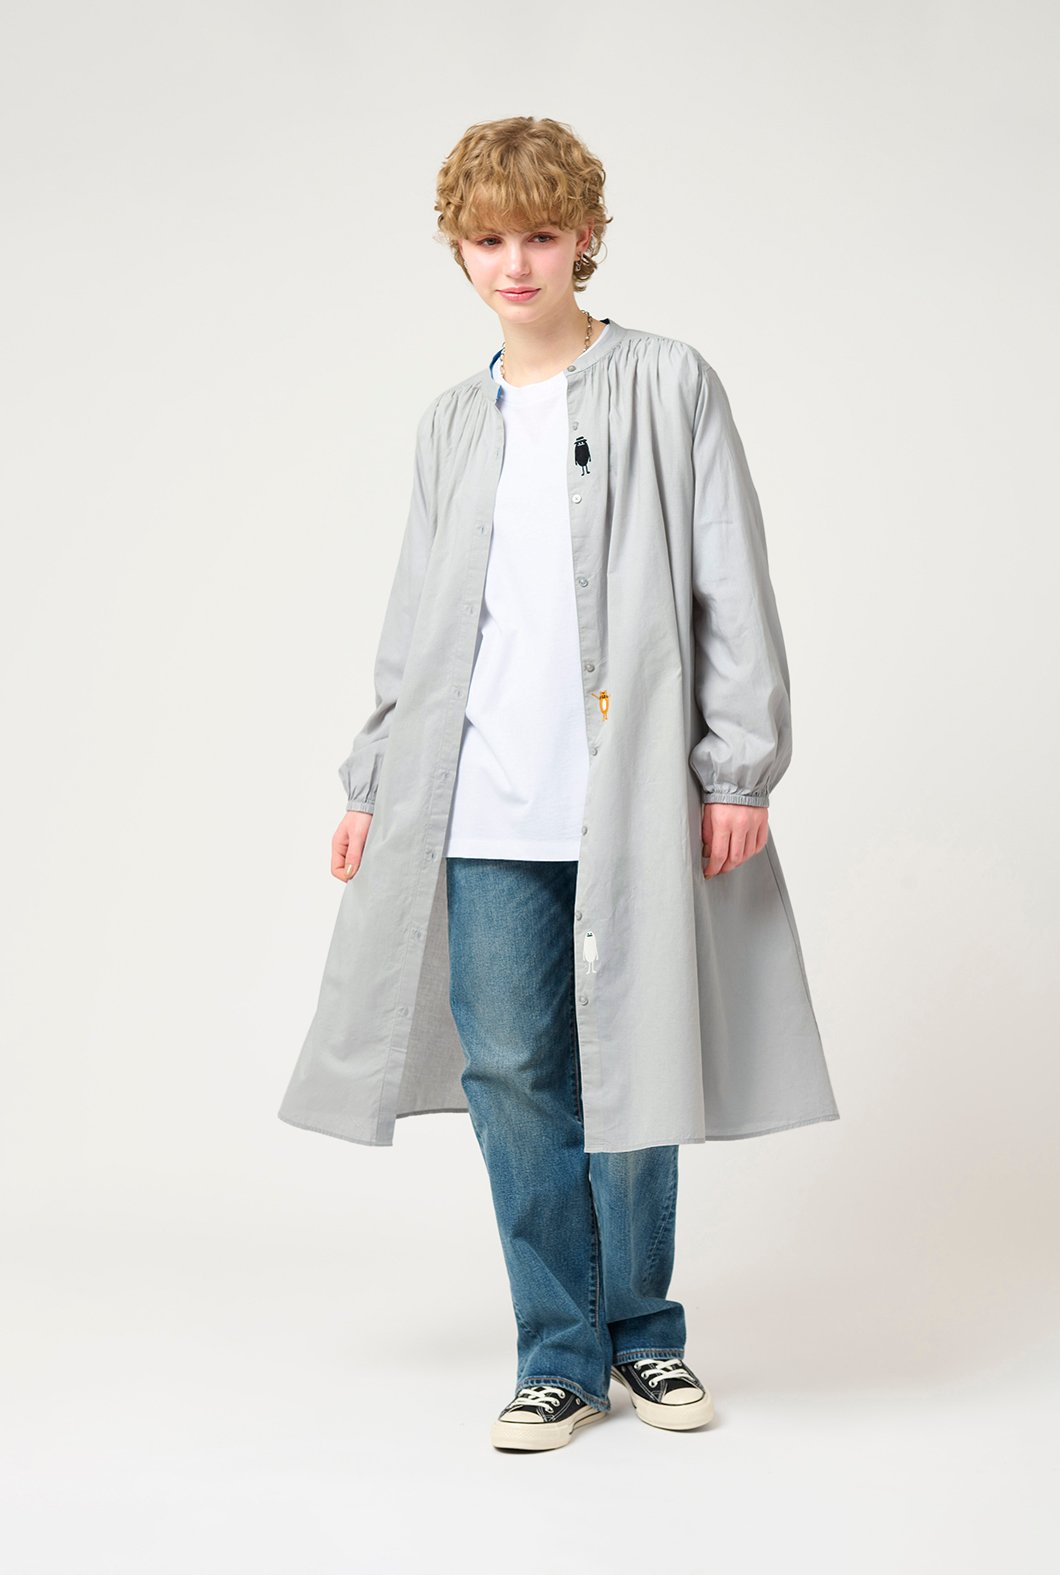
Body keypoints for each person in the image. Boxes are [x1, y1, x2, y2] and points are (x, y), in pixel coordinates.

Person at [278, 115, 839, 1453]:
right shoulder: (450, 424)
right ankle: (557, 1353)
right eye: (488, 239)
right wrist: (372, 778)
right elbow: (417, 620)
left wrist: (737, 765)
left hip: (630, 795)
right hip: (476, 801)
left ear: (586, 237)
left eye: (540, 234)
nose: (515, 263)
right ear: (459, 251)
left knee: (635, 1054)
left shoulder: (668, 382)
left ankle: (646, 1336)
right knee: (514, 1072)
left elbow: (729, 579)